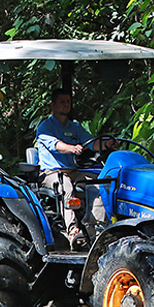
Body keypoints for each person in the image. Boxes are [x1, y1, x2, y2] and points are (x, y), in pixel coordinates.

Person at [34, 89, 115, 249]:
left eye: (68, 102)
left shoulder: (74, 126)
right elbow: (56, 145)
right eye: (62, 102)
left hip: (73, 171)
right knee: (66, 186)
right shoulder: (45, 127)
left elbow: (91, 142)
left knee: (99, 183)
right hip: (52, 173)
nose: (66, 105)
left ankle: (97, 230)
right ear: (53, 105)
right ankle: (73, 232)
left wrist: (106, 144)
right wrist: (72, 148)